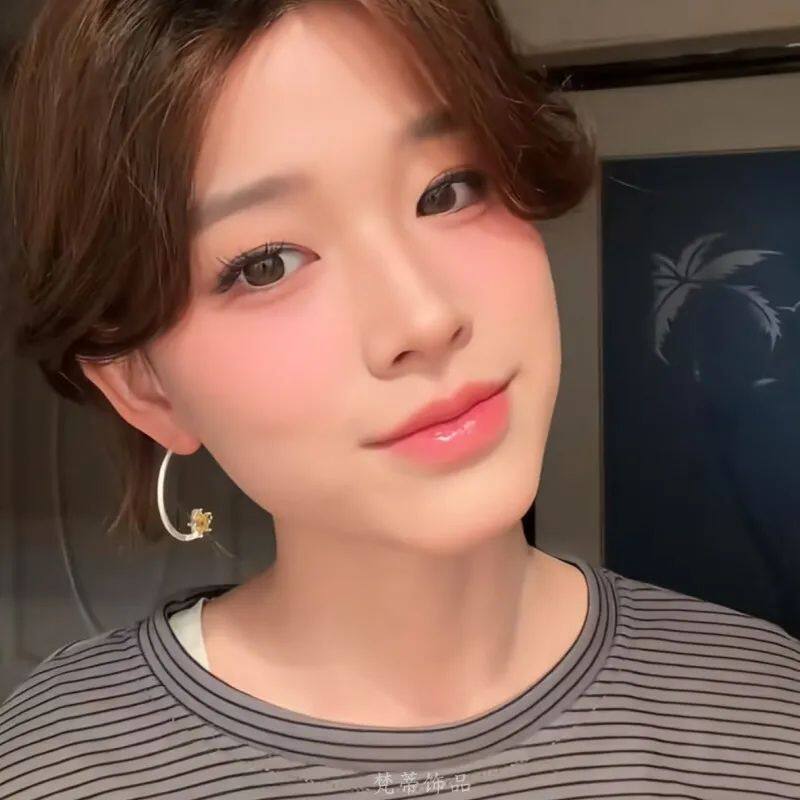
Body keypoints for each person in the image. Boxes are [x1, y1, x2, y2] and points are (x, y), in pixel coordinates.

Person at [0, 0, 798, 797]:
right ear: (144, 386)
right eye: (267, 264)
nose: (424, 319)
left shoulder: (768, 710)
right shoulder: (60, 766)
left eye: (448, 190)